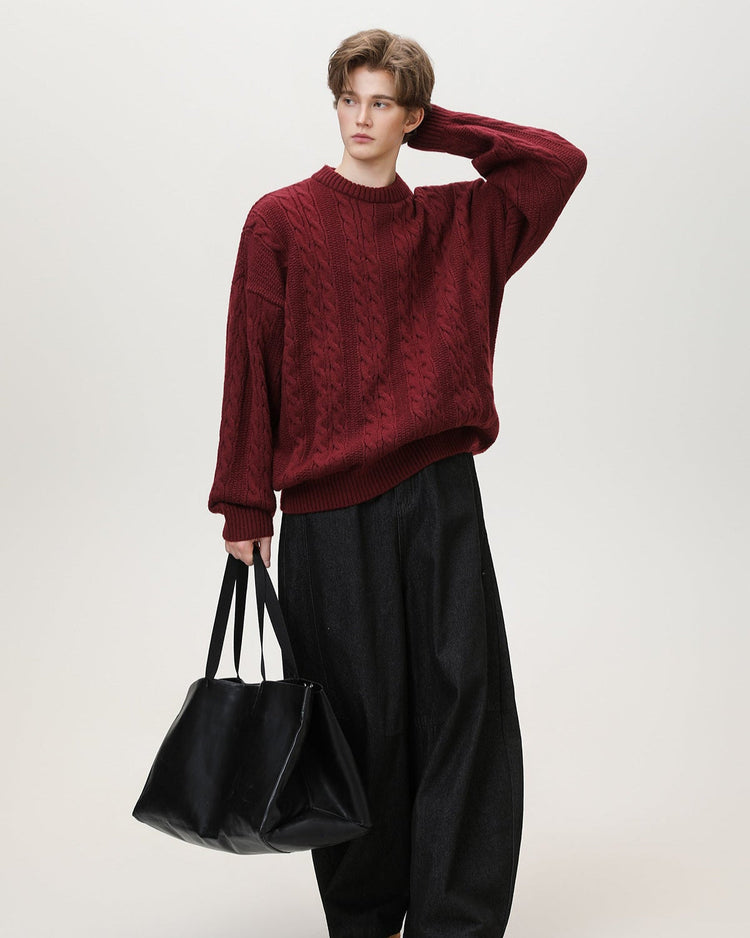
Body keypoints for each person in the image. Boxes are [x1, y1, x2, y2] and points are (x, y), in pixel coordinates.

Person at [208, 26, 586, 938]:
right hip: (329, 512)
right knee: (355, 726)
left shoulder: (460, 223)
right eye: (351, 98)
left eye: (383, 102)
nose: (362, 118)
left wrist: (438, 124)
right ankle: (367, 919)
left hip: (440, 495)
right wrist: (244, 503)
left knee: (466, 711)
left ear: (409, 114)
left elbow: (558, 164)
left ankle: (457, 921)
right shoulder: (281, 221)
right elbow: (250, 363)